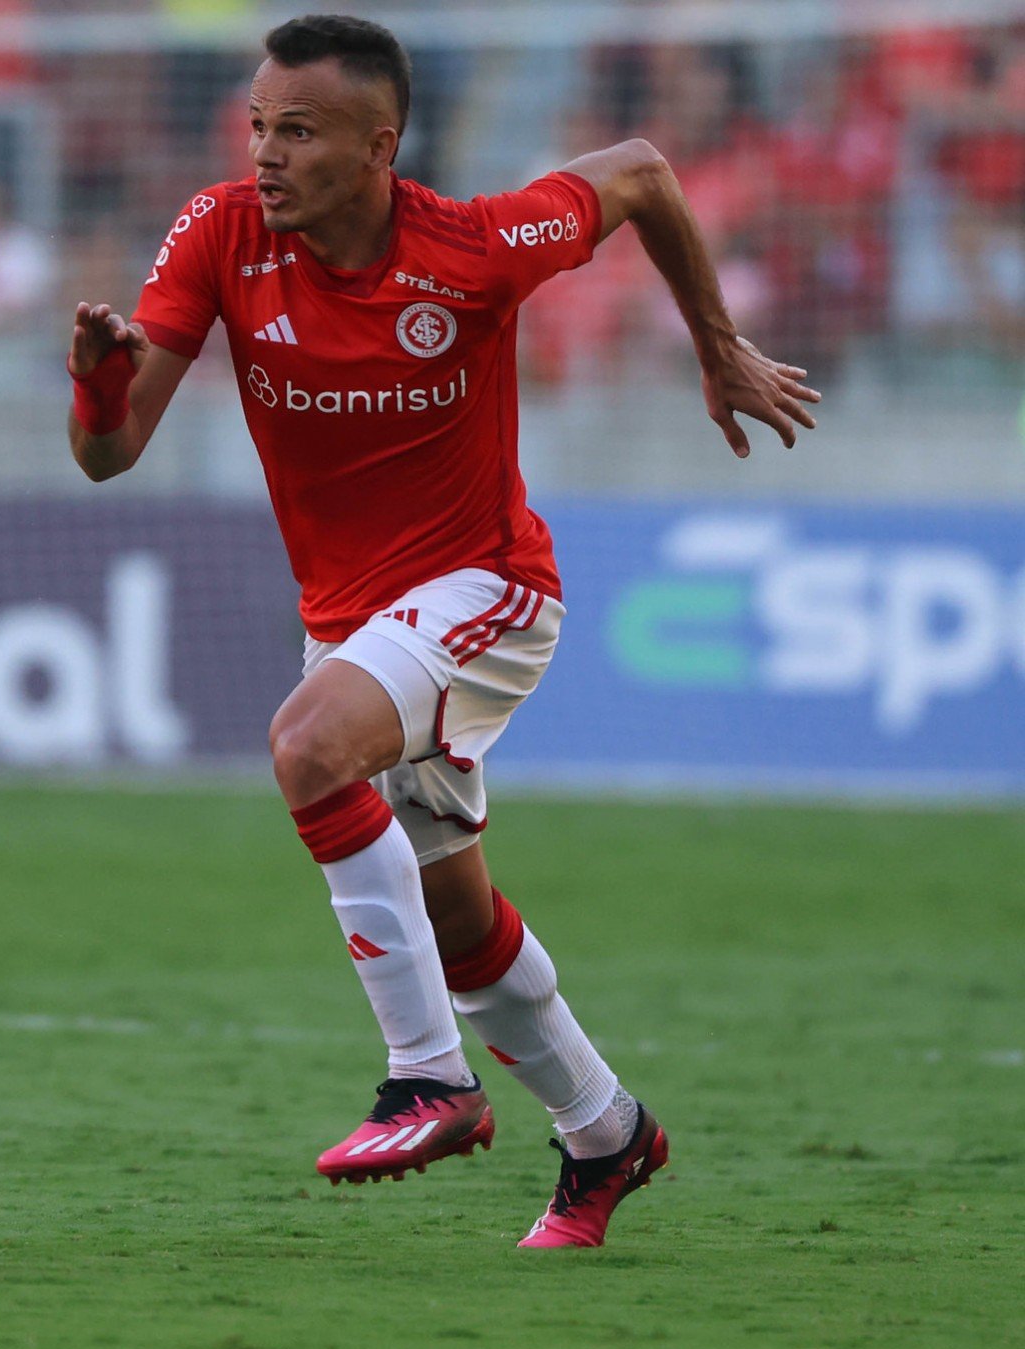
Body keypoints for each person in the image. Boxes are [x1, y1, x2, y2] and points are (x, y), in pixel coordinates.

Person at [64, 15, 818, 1248]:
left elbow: (639, 170)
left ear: (379, 145)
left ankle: (429, 1078)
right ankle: (606, 1132)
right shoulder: (220, 235)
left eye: (297, 132)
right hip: (357, 628)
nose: (265, 153)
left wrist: (718, 345)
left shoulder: (471, 247)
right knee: (457, 920)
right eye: (257, 124)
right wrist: (97, 380)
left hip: (488, 591)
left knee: (306, 751)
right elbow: (108, 456)